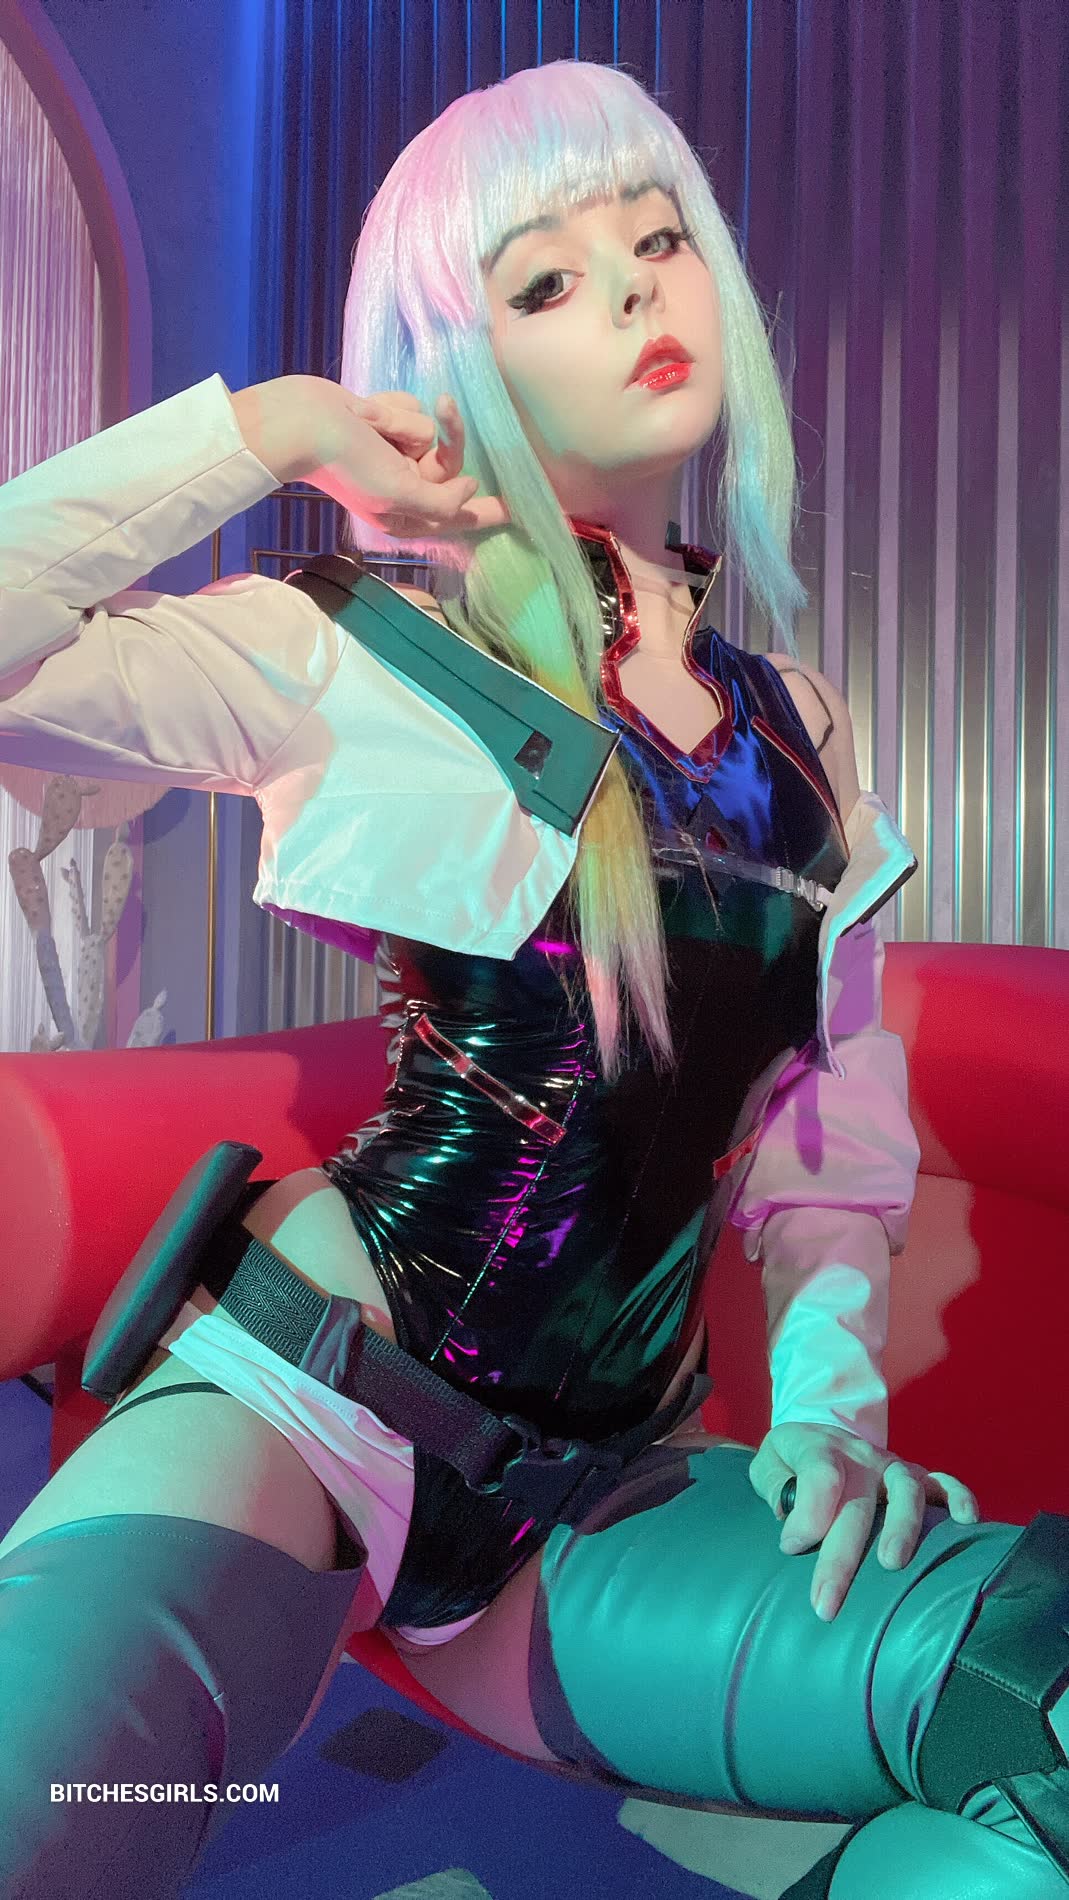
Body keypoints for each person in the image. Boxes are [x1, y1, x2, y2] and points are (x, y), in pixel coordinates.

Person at [0, 57, 1065, 1899]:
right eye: (548, 277)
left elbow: (825, 1130)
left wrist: (828, 1416)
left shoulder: (798, 731)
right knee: (40, 1828)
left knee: (1035, 1724)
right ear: (452, 360)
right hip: (304, 1406)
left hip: (595, 1497)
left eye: (661, 239)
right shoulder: (356, 650)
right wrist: (265, 430)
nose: (640, 289)